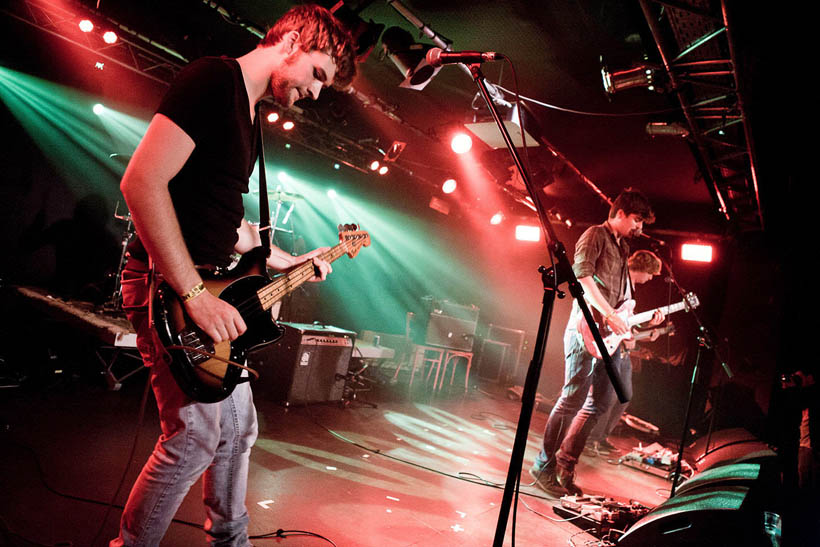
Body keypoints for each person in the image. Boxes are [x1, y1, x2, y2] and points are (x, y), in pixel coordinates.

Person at [111, 5, 355, 546]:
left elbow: (222, 217)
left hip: (209, 284)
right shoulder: (212, 81)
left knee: (238, 432)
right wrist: (194, 294)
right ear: (291, 40)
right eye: (318, 74)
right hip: (169, 288)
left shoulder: (248, 115)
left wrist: (282, 260)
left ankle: (231, 541)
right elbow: (142, 183)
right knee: (194, 439)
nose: (317, 94)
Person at [530, 188, 660, 497]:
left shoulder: (623, 246)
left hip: (607, 335)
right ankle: (542, 466)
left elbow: (621, 297)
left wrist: (634, 317)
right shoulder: (595, 235)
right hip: (584, 329)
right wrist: (608, 315)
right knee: (571, 398)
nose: (640, 227)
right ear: (619, 213)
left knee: (600, 403)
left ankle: (565, 465)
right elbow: (582, 278)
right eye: (637, 219)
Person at [585, 250, 664, 456]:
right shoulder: (620, 280)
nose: (650, 279)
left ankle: (601, 437)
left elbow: (626, 319)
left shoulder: (632, 287)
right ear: (643, 268)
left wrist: (648, 325)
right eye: (650, 274)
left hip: (621, 347)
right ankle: (590, 438)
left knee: (624, 396)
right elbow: (607, 311)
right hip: (608, 342)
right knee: (606, 396)